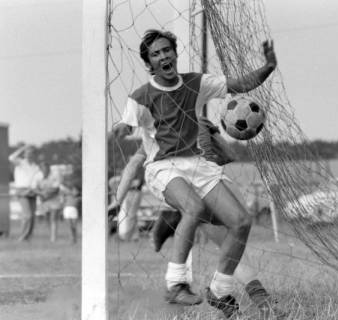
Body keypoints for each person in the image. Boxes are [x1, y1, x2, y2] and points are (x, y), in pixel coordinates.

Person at [114, 28, 277, 316]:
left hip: (200, 168)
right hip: (164, 168)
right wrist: (117, 194)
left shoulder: (195, 84)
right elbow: (126, 133)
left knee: (240, 222)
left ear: (174, 54)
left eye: (167, 50)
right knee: (193, 207)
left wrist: (268, 67)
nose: (163, 56)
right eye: (156, 54)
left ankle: (220, 291)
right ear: (149, 63)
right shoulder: (141, 99)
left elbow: (239, 84)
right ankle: (176, 283)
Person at [113, 132, 284, 319]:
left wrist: (117, 201)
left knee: (232, 244)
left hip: (201, 189)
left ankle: (243, 302)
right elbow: (229, 155)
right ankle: (261, 303)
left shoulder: (160, 132)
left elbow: (132, 165)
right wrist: (215, 137)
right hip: (207, 190)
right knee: (233, 245)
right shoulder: (183, 127)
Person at [9, 145, 42, 241]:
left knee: (33, 216)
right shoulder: (20, 163)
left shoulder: (35, 166)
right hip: (22, 190)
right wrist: (22, 148)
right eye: (28, 153)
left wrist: (34, 189)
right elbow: (11, 158)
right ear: (25, 154)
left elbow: (36, 179)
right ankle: (22, 236)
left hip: (32, 191)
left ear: (34, 154)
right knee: (27, 215)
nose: (30, 155)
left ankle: (28, 236)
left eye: (31, 153)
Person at [36, 161, 63, 242]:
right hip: (44, 200)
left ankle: (53, 238)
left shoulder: (55, 175)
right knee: (47, 218)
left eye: (46, 168)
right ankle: (51, 235)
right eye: (43, 169)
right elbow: (35, 188)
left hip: (54, 200)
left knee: (53, 218)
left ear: (49, 168)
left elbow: (56, 188)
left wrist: (46, 195)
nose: (45, 170)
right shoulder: (38, 176)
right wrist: (41, 194)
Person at [60, 178, 80, 244]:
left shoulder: (78, 198)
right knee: (69, 226)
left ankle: (74, 238)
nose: (75, 191)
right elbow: (62, 202)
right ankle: (71, 239)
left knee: (74, 226)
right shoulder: (66, 196)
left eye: (76, 190)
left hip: (74, 211)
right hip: (67, 210)